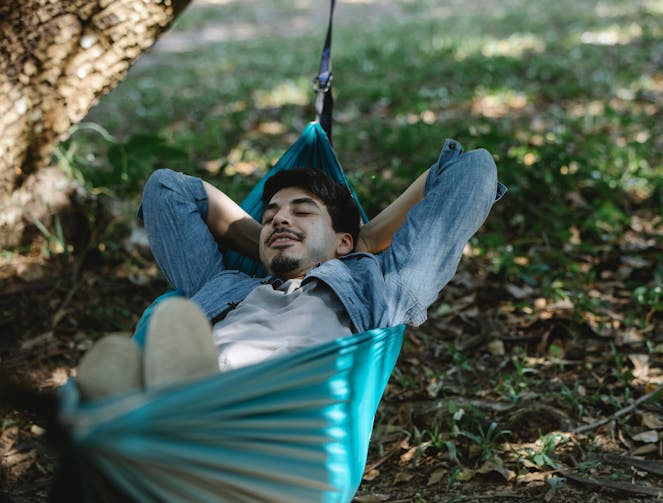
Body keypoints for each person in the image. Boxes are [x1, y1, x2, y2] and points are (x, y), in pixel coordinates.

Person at [76, 139, 506, 400]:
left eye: (302, 212)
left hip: (276, 427)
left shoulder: (381, 288)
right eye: (270, 217)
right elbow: (167, 190)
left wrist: (365, 241)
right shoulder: (223, 286)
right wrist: (274, 246)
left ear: (343, 243)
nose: (280, 219)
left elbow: (472, 169)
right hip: (183, 408)